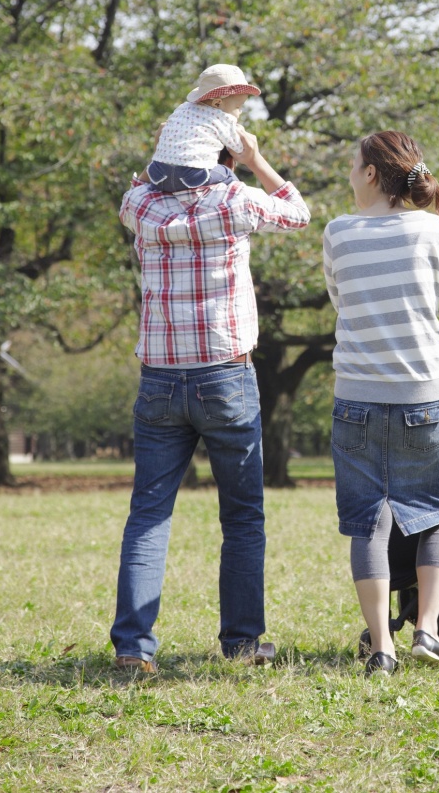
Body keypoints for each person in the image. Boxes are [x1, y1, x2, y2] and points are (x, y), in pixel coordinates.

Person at [110, 126, 310, 673]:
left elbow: (139, 181)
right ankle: (242, 645)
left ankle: (133, 647)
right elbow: (298, 212)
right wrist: (257, 160)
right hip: (224, 376)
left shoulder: (142, 206)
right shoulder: (236, 200)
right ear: (225, 158)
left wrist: (168, 144)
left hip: (159, 378)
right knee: (242, 518)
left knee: (148, 514)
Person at [322, 130, 439, 675]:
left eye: (353, 166)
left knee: (367, 522)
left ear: (372, 174)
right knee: (438, 511)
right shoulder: (433, 230)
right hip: (423, 397)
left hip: (355, 401)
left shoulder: (338, 234)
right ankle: (427, 630)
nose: (350, 175)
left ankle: (381, 646)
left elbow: (341, 303)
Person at [146, 63, 259, 192]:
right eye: (238, 107)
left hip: (158, 175)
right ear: (217, 103)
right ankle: (235, 197)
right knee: (228, 175)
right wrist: (241, 132)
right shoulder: (221, 118)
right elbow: (240, 148)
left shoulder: (183, 108)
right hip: (192, 176)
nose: (240, 112)